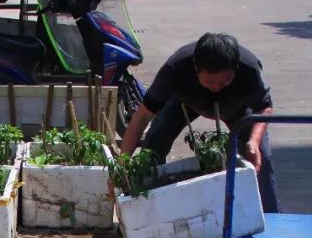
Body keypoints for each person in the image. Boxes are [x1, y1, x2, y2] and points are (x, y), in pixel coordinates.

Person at [120, 32, 280, 213]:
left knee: (260, 157)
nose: (217, 87)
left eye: (225, 80)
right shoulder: (176, 68)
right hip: (185, 103)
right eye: (211, 81)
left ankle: (272, 217)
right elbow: (141, 117)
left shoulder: (248, 69)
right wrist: (122, 164)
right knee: (154, 141)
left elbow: (265, 107)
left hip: (237, 108)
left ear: (236, 69)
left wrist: (254, 141)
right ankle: (144, 207)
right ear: (196, 68)